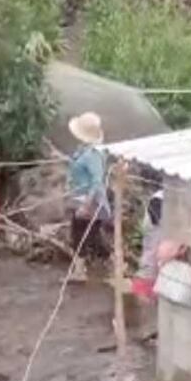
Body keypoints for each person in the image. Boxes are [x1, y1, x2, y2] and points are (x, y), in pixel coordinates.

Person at [66, 112, 112, 283]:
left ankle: (82, 271)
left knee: (80, 234)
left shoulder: (93, 154)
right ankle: (113, 265)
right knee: (89, 235)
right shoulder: (83, 150)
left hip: (90, 201)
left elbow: (97, 181)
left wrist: (87, 204)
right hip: (81, 197)